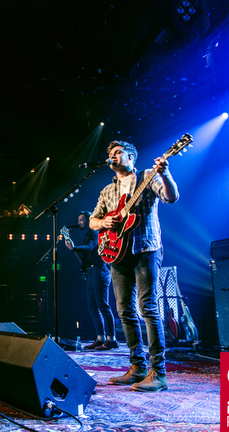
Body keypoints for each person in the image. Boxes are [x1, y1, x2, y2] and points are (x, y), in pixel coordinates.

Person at [89, 140, 179, 392]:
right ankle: (137, 367)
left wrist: (165, 174)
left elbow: (171, 197)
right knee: (124, 310)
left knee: (147, 307)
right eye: (111, 153)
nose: (113, 156)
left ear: (131, 157)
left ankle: (158, 373)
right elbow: (93, 221)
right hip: (117, 254)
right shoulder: (108, 190)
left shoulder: (148, 176)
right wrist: (104, 223)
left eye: (118, 152)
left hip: (145, 248)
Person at [64, 211, 117, 350]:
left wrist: (74, 247)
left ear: (88, 220)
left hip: (99, 272)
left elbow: (89, 248)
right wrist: (73, 248)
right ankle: (101, 338)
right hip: (91, 273)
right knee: (93, 308)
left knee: (103, 306)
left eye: (81, 220)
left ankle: (111, 339)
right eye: (79, 220)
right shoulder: (88, 235)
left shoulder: (94, 233)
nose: (79, 223)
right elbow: (85, 256)